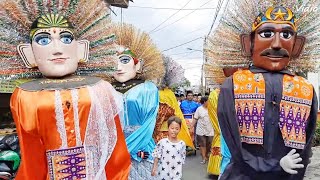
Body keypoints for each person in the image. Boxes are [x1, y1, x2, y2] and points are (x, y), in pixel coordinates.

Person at [1, 1, 131, 179]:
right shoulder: (25, 95)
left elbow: (115, 149)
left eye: (66, 39)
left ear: (81, 49)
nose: (57, 49)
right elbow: (32, 155)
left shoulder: (101, 89)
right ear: (28, 53)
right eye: (43, 40)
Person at [207, 1, 319, 179]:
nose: (276, 44)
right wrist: (275, 165)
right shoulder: (234, 85)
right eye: (266, 33)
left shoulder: (305, 89)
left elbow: (304, 151)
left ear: (297, 45)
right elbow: (235, 148)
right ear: (248, 43)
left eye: (286, 34)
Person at [192, 96, 214, 164]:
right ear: (204, 102)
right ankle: (204, 158)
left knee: (209, 143)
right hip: (201, 129)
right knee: (202, 144)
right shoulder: (199, 109)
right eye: (208, 101)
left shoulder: (212, 109)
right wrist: (191, 127)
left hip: (210, 129)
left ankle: (207, 154)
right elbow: (195, 118)